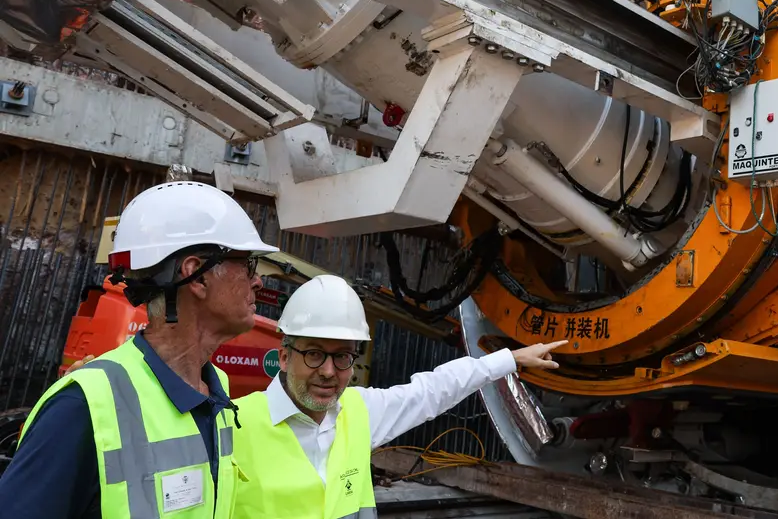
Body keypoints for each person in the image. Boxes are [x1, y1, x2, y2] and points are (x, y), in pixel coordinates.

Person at [0, 181, 279, 519]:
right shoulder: (83, 407)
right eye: (248, 265)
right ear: (197, 276)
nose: (257, 281)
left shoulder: (216, 389)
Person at [230, 274, 566, 519]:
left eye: (343, 356)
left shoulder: (359, 413)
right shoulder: (232, 426)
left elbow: (432, 390)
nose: (329, 372)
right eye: (314, 354)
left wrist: (509, 359)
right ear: (285, 356)